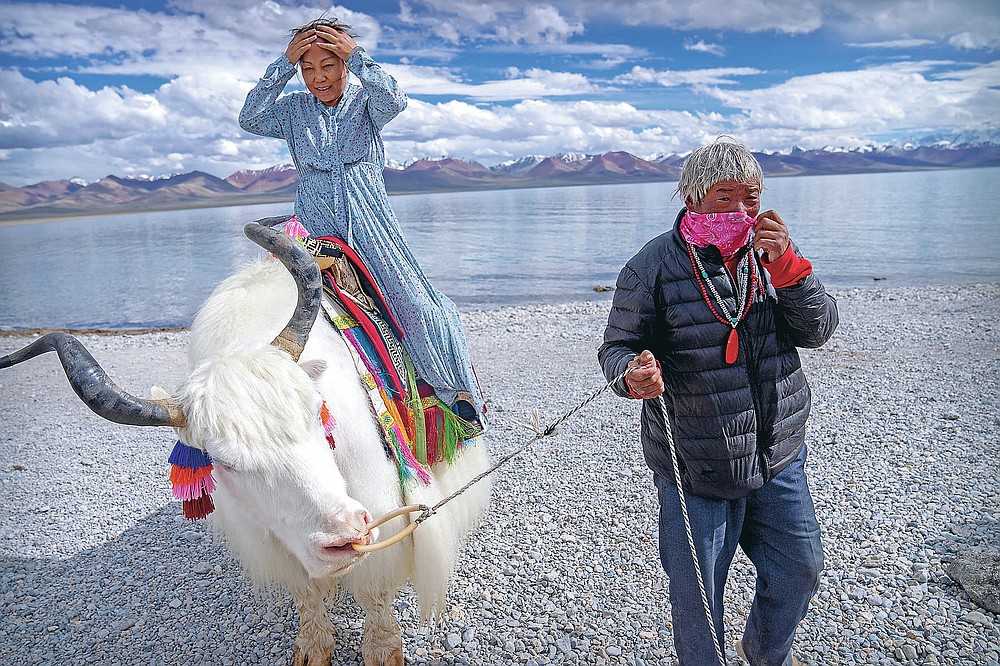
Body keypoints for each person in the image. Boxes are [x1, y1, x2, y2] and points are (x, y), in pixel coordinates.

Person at [598, 138, 838, 665]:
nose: (740, 211)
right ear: (691, 197)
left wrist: (791, 270)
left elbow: (818, 330)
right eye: (724, 197)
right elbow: (616, 347)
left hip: (777, 454)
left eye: (750, 197)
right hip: (696, 463)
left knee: (801, 567)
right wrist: (631, 376)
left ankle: (765, 651)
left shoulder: (773, 256)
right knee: (698, 600)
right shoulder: (653, 265)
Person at [239, 18, 484, 427]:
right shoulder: (291, 110)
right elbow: (250, 118)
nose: (318, 77)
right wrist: (282, 64)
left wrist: (357, 55)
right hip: (317, 223)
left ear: (344, 64)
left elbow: (396, 99)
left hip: (372, 222)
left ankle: (452, 391)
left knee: (420, 306)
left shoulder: (365, 101)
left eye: (329, 64)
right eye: (308, 67)